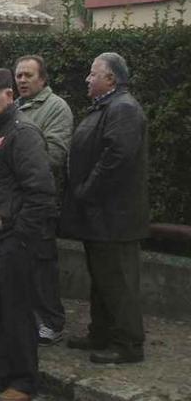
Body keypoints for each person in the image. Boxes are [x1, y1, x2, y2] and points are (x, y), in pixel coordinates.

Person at [0, 68, 55, 401]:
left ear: (10, 95)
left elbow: (41, 192)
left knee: (17, 313)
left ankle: (23, 381)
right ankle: (4, 372)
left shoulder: (23, 133)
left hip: (11, 239)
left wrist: (21, 237)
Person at [62, 53, 148, 365]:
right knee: (102, 278)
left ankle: (128, 344)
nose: (87, 78)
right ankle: (101, 332)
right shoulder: (108, 107)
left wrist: (86, 190)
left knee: (118, 281)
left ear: (110, 79)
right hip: (101, 216)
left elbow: (117, 158)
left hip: (115, 217)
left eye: (92, 73)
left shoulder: (123, 108)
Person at [14, 55, 73, 346]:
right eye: (19, 76)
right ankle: (29, 320)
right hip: (13, 202)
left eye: (28, 75)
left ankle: (51, 322)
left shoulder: (56, 108)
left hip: (39, 201)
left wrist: (14, 163)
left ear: (43, 79)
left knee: (41, 265)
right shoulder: (14, 107)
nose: (22, 80)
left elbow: (54, 155)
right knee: (20, 267)